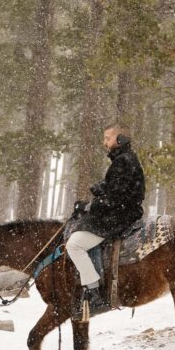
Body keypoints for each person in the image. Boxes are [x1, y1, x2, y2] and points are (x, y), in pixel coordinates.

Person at [66, 123, 145, 317]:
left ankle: (95, 294)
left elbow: (116, 198)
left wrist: (90, 206)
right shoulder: (124, 160)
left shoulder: (123, 161)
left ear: (120, 140)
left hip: (120, 215)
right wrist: (99, 189)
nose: (105, 143)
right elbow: (116, 188)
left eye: (107, 138)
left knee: (74, 245)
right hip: (121, 211)